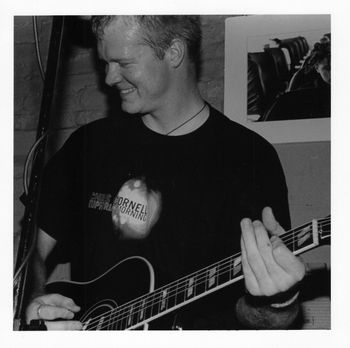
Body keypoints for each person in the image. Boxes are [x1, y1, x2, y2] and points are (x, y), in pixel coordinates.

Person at [24, 15, 305, 330]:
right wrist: (31, 298)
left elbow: (263, 319)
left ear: (174, 52)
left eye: (123, 63)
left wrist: (279, 302)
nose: (108, 78)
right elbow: (29, 249)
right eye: (105, 63)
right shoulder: (88, 145)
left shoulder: (252, 157)